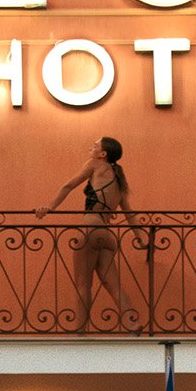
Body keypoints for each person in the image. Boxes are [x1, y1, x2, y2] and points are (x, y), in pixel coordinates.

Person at [34, 136, 141, 332]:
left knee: (83, 285)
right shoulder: (119, 180)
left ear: (103, 154)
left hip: (90, 229)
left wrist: (49, 207)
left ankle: (81, 333)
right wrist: (141, 238)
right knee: (114, 286)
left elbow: (68, 185)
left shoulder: (94, 164)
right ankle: (132, 322)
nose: (91, 148)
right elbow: (129, 214)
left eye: (95, 146)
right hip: (107, 236)